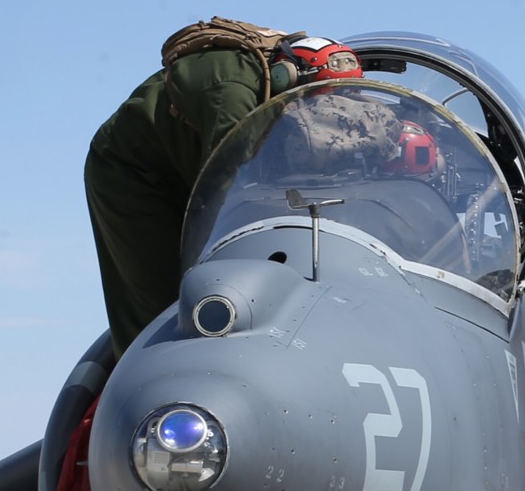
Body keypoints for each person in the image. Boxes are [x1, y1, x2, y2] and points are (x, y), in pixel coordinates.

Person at [85, 20, 363, 358]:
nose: (328, 116)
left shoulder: (272, 93)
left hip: (185, 161)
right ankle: (145, 388)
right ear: (285, 82)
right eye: (319, 103)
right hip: (130, 173)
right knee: (159, 308)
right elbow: (224, 195)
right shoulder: (232, 100)